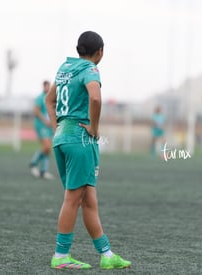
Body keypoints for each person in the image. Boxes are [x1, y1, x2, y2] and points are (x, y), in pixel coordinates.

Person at [45, 31, 131, 270]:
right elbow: (95, 99)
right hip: (80, 139)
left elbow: (49, 100)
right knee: (73, 199)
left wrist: (58, 127)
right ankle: (61, 256)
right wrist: (94, 128)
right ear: (100, 51)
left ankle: (107, 254)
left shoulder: (64, 68)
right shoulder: (90, 69)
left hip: (63, 137)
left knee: (88, 200)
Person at [29, 80, 54, 180]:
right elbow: (36, 111)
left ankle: (43, 171)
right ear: (43, 87)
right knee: (47, 146)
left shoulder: (52, 98)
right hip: (42, 125)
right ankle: (33, 162)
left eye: (49, 86)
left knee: (48, 149)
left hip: (49, 126)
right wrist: (45, 121)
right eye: (46, 86)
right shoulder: (40, 98)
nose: (47, 88)